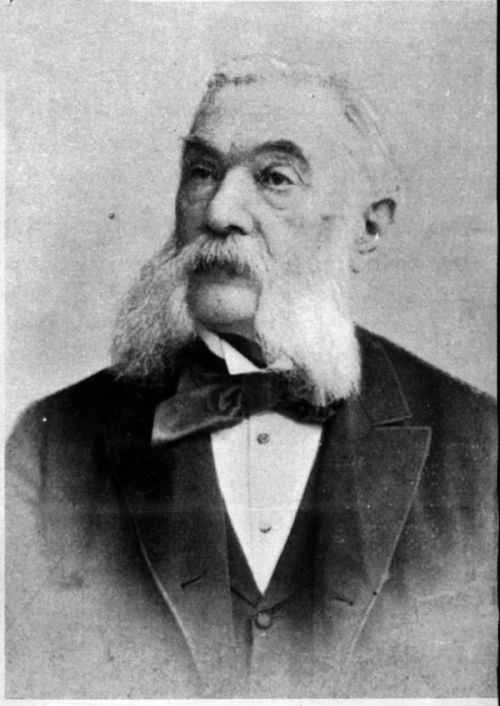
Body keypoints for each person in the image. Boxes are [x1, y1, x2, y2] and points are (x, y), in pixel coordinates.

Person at [5, 55, 497, 698]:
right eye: (202, 172)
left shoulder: (480, 445)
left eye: (274, 177)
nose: (220, 212)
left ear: (369, 226)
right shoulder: (51, 447)